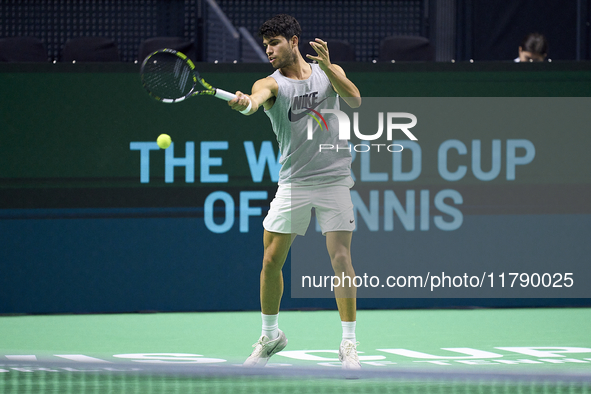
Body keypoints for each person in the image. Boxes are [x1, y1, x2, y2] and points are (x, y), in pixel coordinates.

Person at [228, 14, 362, 370]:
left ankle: (349, 344)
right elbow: (257, 100)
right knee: (271, 259)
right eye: (266, 44)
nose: (269, 50)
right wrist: (247, 103)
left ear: (294, 41)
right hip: (294, 183)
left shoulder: (326, 72)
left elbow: (355, 99)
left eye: (275, 43)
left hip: (334, 179)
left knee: (341, 259)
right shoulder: (270, 84)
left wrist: (331, 68)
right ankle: (270, 335)